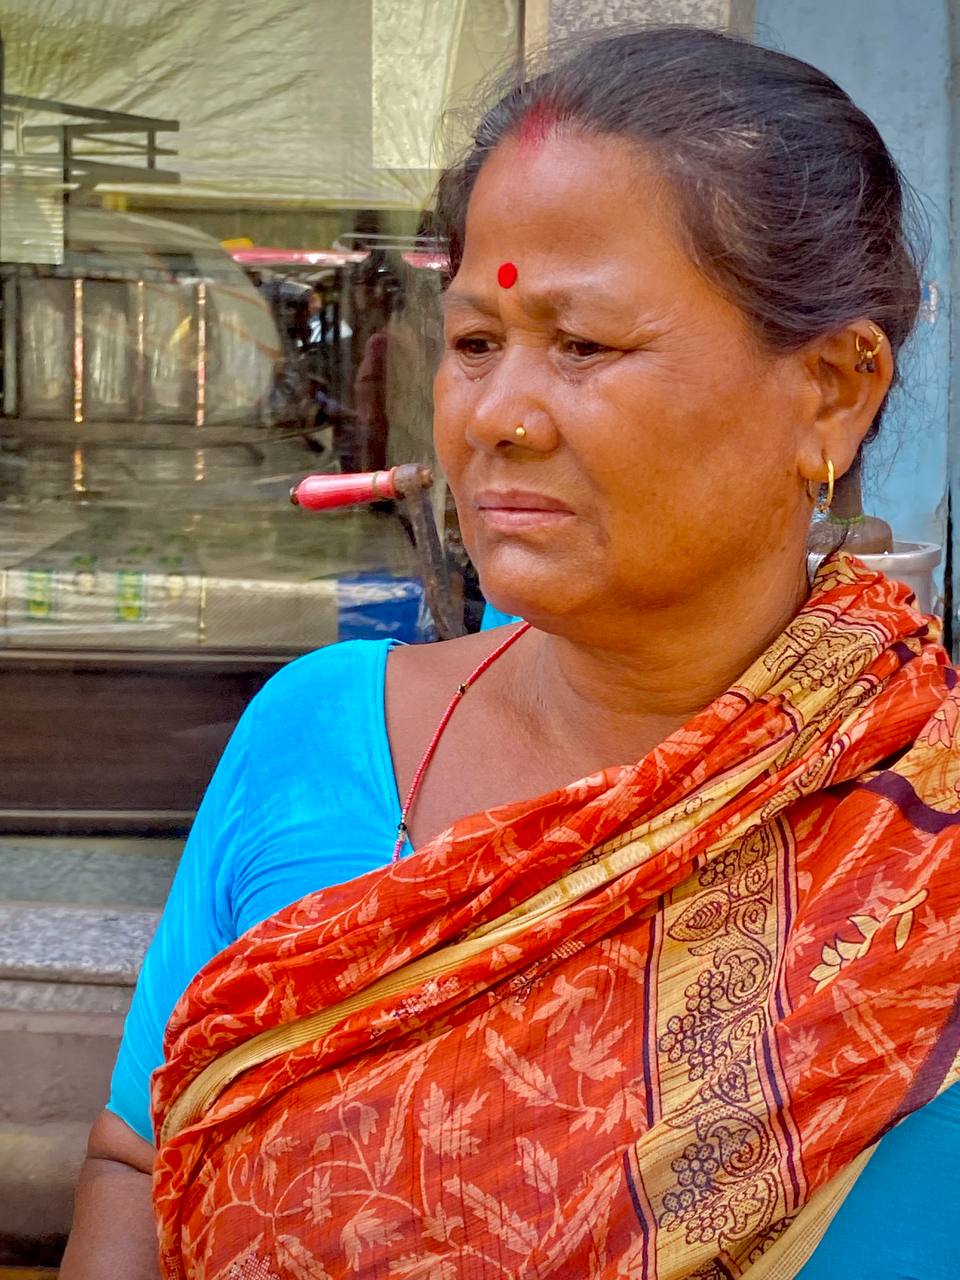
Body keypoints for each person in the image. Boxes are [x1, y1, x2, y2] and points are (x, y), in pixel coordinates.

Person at [62, 25, 960, 1280]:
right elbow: (138, 1155)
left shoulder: (924, 822)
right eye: (476, 341)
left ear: (833, 389)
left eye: (580, 344)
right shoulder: (318, 730)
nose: (493, 414)